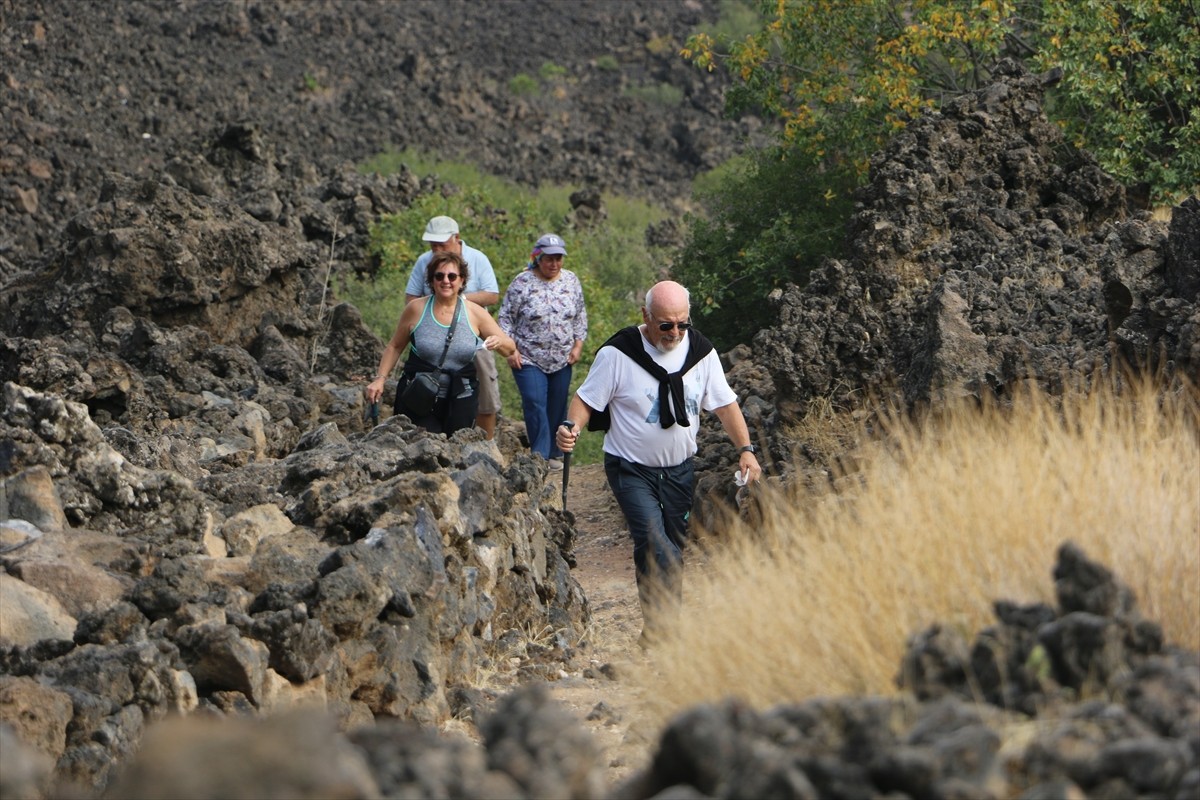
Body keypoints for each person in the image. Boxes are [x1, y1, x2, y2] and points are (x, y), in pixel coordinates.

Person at [555, 280, 761, 641]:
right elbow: (586, 401)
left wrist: (746, 450)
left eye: (683, 323)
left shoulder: (700, 352)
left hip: (680, 469)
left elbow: (725, 405)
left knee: (671, 548)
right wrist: (571, 427)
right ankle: (670, 630)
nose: (676, 332)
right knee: (654, 541)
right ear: (646, 316)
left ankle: (657, 632)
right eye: (666, 324)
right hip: (630, 468)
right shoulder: (618, 354)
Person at [368, 251, 515, 435]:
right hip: (419, 396)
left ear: (462, 281)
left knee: (457, 452)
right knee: (422, 445)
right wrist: (380, 379)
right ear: (432, 280)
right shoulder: (415, 309)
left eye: (452, 276)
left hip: (460, 397)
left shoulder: (475, 313)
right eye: (439, 276)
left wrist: (499, 341)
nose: (446, 280)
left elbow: (510, 348)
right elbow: (395, 346)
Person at [405, 216, 503, 439]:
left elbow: (492, 294)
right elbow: (411, 296)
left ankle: (487, 444)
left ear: (456, 238)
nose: (437, 249)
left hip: (474, 339)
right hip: (430, 339)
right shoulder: (424, 262)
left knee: (485, 394)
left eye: (442, 244)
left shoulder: (477, 259)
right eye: (433, 245)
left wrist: (459, 299)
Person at [497, 233, 588, 470]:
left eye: (558, 258)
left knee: (557, 405)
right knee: (535, 401)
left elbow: (579, 315)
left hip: (562, 357)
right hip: (527, 356)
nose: (554, 263)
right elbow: (505, 317)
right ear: (538, 257)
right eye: (549, 258)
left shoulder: (571, 281)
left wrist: (578, 345)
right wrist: (509, 350)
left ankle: (555, 453)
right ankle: (540, 455)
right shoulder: (522, 283)